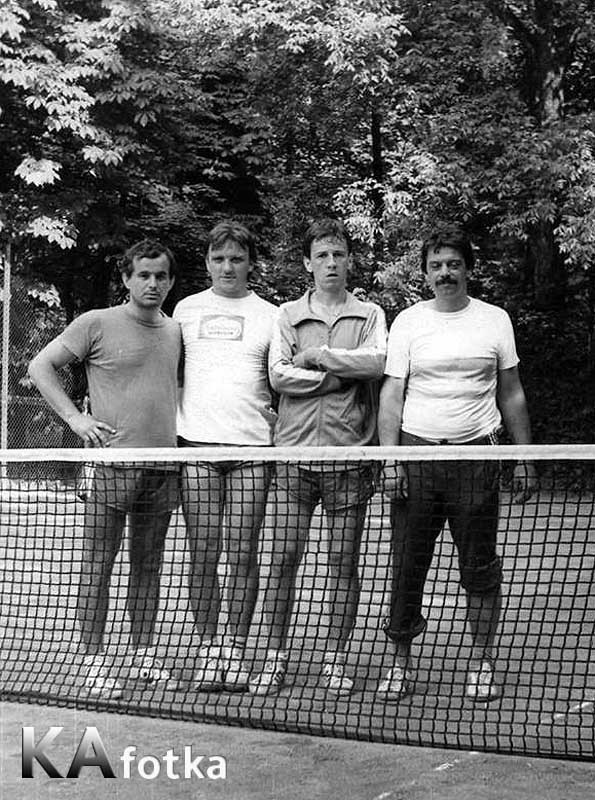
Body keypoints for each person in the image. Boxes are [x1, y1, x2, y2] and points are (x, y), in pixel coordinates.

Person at [377, 224, 537, 703]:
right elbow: (392, 394)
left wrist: (524, 458)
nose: (445, 273)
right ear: (425, 273)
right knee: (407, 566)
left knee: (480, 567)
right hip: (417, 456)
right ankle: (398, 664)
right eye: (436, 266)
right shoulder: (408, 322)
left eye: (453, 264)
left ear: (468, 269)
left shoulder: (495, 320)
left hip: (477, 459)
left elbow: (511, 392)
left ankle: (482, 663)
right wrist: (391, 460)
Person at [28, 239, 181, 699]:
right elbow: (40, 367)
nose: (152, 283)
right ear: (126, 278)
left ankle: (143, 655)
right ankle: (94, 662)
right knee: (98, 565)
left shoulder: (175, 331)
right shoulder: (95, 322)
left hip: (163, 468)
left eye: (160, 276)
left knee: (149, 565)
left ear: (171, 281)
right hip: (112, 466)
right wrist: (76, 419)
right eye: (143, 275)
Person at [249, 217, 387, 696]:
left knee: (343, 564)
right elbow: (279, 376)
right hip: (294, 458)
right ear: (308, 263)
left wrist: (320, 356)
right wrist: (336, 377)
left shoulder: (370, 314)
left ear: (349, 261)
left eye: (338, 255)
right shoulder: (287, 315)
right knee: (282, 561)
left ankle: (335, 659)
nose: (331, 263)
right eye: (322, 255)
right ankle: (274, 658)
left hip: (350, 460)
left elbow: (377, 363)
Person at [174, 221, 278, 691]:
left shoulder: (272, 315)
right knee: (202, 551)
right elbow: (168, 371)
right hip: (195, 447)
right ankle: (208, 649)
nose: (227, 267)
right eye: (219, 259)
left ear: (251, 263)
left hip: (251, 450)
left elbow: (282, 380)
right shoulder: (185, 309)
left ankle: (234, 650)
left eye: (236, 258)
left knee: (241, 552)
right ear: (207, 263)